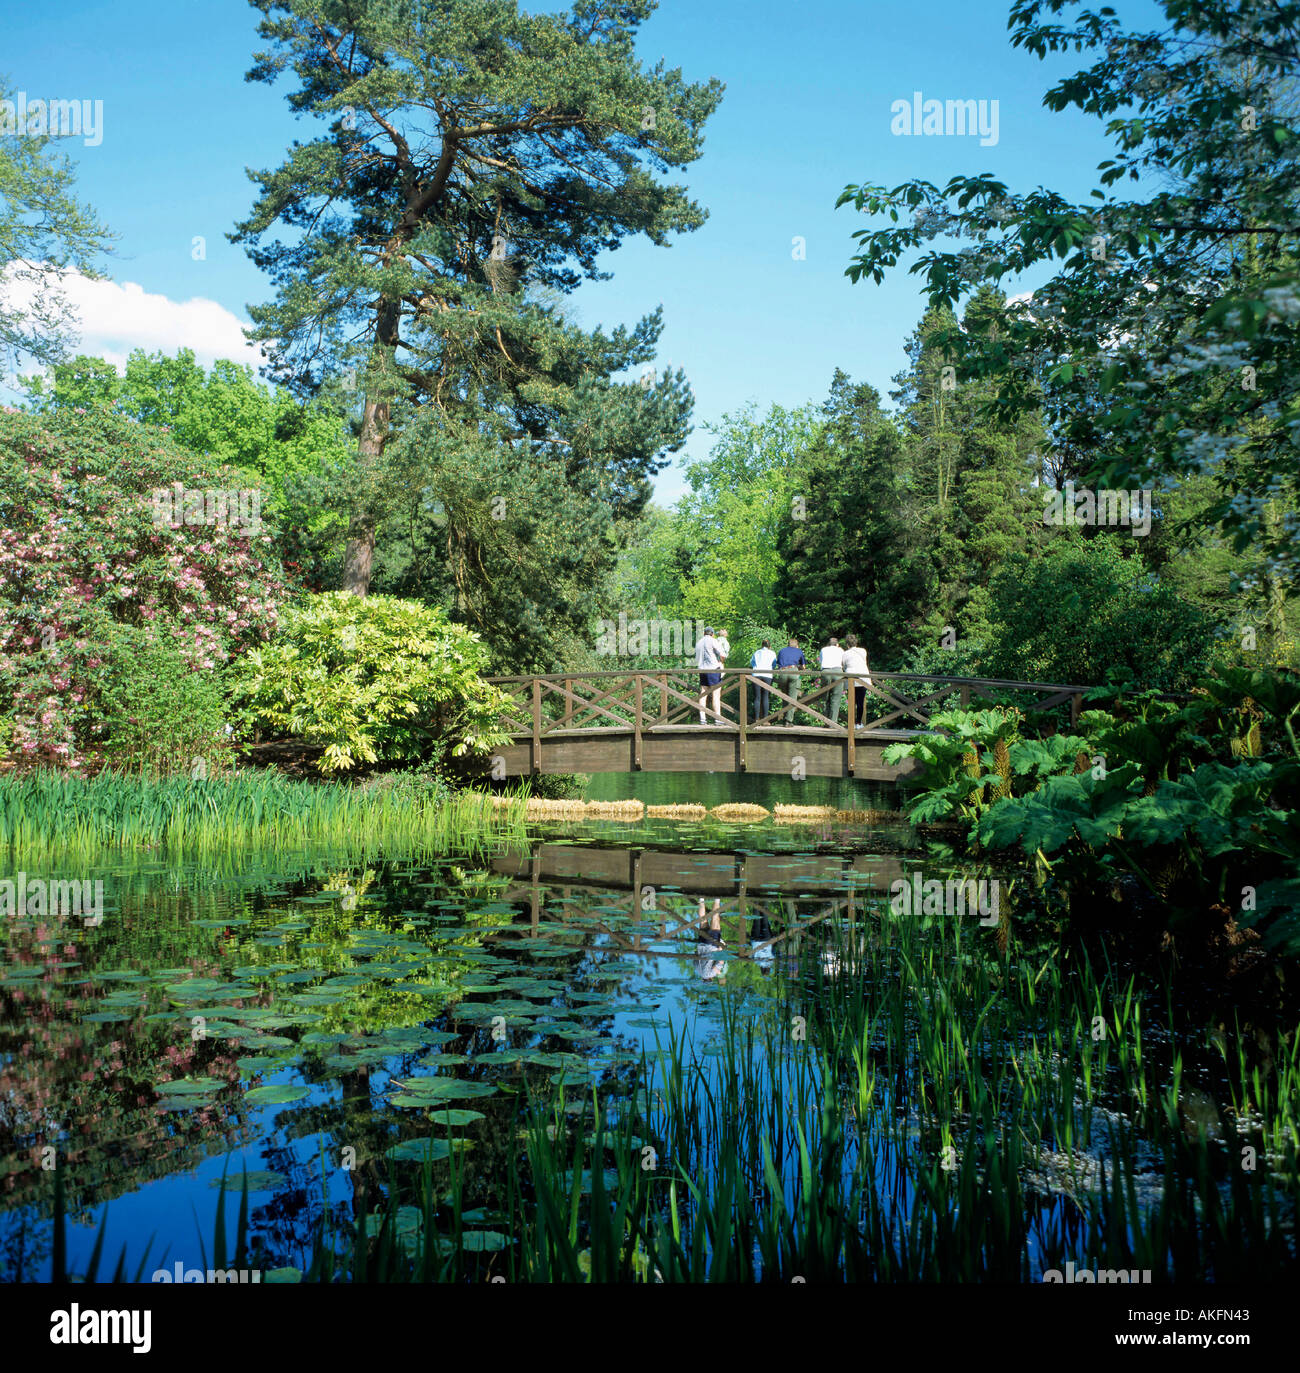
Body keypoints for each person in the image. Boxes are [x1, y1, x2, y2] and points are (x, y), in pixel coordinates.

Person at [841, 634, 872, 727]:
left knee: (851, 702)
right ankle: (858, 723)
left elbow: (844, 665)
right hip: (863, 677)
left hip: (851, 678)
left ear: (847, 644)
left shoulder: (845, 653)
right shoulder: (863, 651)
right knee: (860, 702)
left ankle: (851, 723)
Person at [695, 625, 723, 725]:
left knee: (703, 693)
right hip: (713, 669)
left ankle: (703, 718)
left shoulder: (699, 642)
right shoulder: (713, 640)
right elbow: (722, 654)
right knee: (716, 694)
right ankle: (717, 718)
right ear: (712, 634)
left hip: (702, 669)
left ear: (704, 633)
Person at [773, 636, 806, 723]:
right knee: (792, 697)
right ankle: (788, 720)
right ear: (797, 645)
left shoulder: (781, 651)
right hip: (793, 672)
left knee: (785, 696)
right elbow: (803, 666)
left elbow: (778, 664)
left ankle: (783, 716)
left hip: (782, 672)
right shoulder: (799, 651)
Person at [818, 635, 845, 727]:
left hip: (826, 671)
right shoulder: (841, 650)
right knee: (836, 698)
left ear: (828, 644)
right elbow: (843, 663)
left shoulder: (823, 649)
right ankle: (833, 723)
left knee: (825, 697)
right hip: (838, 672)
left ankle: (825, 720)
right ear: (837, 644)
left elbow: (820, 662)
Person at [750, 638, 777, 720]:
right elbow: (774, 664)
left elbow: (752, 663)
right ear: (770, 646)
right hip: (767, 675)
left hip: (756, 674)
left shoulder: (757, 652)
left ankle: (756, 718)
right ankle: (765, 719)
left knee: (757, 697)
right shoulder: (772, 653)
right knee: (766, 697)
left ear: (762, 645)